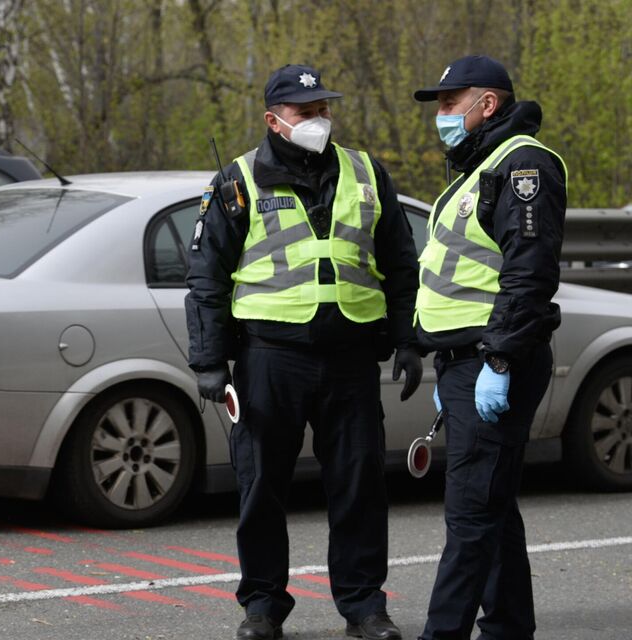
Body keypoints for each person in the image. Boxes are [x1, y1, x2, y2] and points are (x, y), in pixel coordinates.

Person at [185, 64, 420, 640]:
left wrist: (410, 341)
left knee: (360, 485)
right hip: (270, 358)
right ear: (274, 120)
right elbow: (207, 277)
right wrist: (210, 360)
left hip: (351, 360)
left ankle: (364, 607)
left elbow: (399, 264)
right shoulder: (237, 180)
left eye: (323, 108)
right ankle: (262, 606)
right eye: (305, 111)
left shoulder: (365, 172)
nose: (319, 119)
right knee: (261, 485)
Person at [412, 55, 567, 640]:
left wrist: (498, 359)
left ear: (488, 104)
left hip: (493, 358)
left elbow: (528, 275)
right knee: (492, 511)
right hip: (468, 361)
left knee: (471, 515)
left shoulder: (522, 165)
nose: (443, 115)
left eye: (451, 104)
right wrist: (432, 349)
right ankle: (507, 628)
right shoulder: (479, 167)